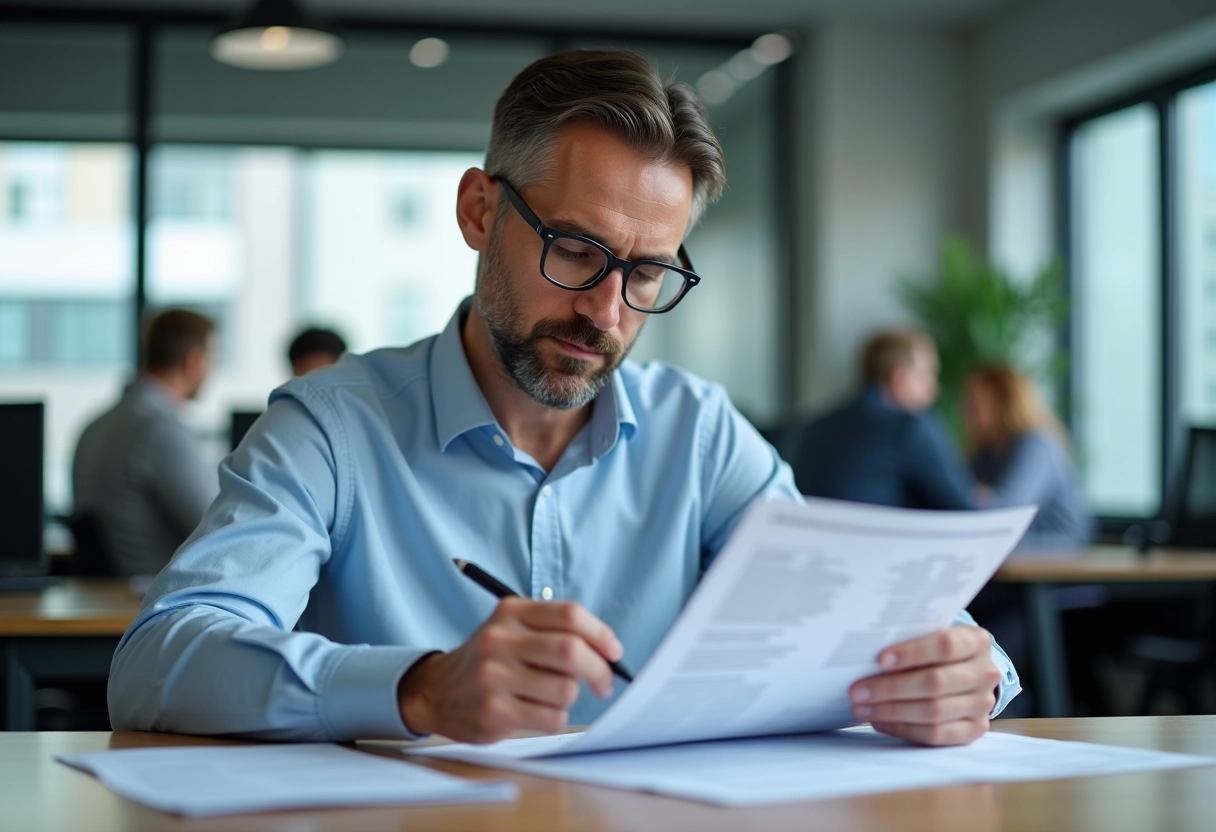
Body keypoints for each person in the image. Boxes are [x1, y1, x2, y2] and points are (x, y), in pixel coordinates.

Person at [109, 50, 1017, 747]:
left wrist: (966, 675)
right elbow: (160, 659)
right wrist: (418, 688)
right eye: (577, 251)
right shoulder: (333, 426)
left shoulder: (699, 433)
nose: (606, 310)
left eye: (648, 272)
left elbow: (869, 616)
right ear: (478, 211)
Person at [72, 309, 220, 576]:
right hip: (156, 600)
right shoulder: (159, 429)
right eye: (212, 358)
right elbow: (218, 526)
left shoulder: (95, 425)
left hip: (108, 596)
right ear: (194, 361)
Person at [793, 329, 975, 510]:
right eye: (928, 374)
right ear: (900, 378)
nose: (935, 388)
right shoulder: (909, 427)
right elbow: (964, 507)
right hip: (879, 537)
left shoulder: (814, 427)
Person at [963, 363, 1094, 548]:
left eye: (976, 405)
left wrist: (971, 494)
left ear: (1004, 403)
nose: (967, 413)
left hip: (1058, 546)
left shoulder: (1036, 445)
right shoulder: (986, 452)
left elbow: (1009, 508)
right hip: (1015, 543)